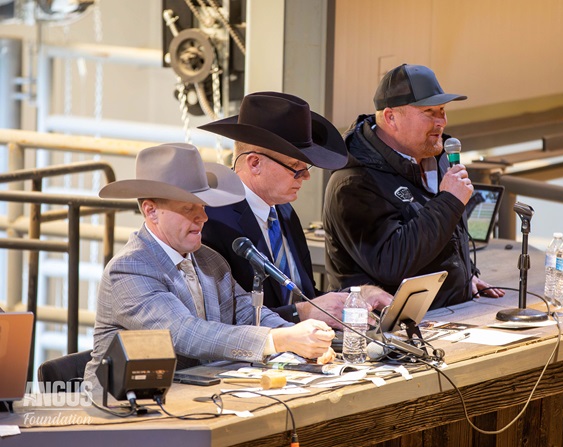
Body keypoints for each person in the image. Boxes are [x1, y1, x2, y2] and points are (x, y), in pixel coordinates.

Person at [83, 143, 335, 388]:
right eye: (188, 207)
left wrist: (303, 337)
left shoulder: (209, 260)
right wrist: (281, 339)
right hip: (118, 410)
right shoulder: (129, 269)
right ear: (151, 211)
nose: (202, 217)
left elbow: (246, 311)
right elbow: (185, 333)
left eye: (203, 206)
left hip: (186, 399)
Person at [198, 91, 392, 330]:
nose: (307, 176)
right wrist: (301, 313)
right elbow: (222, 319)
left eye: (305, 166)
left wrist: (355, 297)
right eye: (295, 167)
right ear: (255, 163)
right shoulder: (212, 220)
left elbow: (302, 297)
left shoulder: (284, 212)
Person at [323, 64, 505, 309]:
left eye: (442, 110)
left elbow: (441, 236)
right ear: (390, 117)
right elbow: (392, 263)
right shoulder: (353, 183)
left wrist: (464, 275)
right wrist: (449, 201)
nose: (442, 121)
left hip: (449, 315)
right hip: (388, 333)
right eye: (430, 111)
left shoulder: (435, 157)